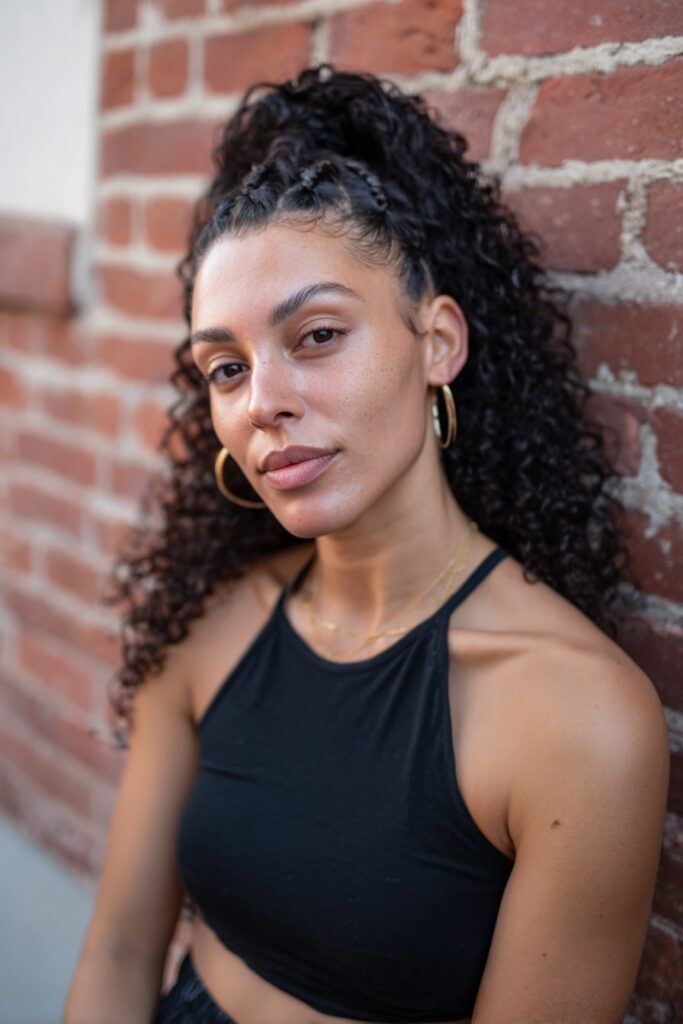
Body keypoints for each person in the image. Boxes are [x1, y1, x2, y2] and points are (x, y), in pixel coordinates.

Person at [63, 64, 670, 1024]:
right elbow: (122, 949)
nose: (262, 401)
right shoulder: (214, 626)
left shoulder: (576, 718)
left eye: (315, 336)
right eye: (226, 367)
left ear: (437, 343)